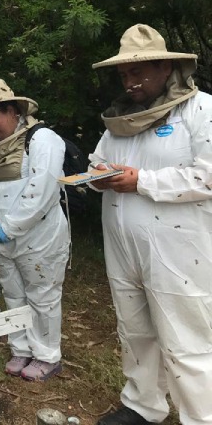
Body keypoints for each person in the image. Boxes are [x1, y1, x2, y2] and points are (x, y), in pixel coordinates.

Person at [88, 24, 212, 425]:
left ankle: (201, 416)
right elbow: (98, 159)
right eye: (124, 73)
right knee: (134, 329)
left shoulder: (201, 110)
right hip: (122, 243)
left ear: (166, 69)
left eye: (139, 71)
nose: (131, 80)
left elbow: (208, 176)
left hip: (180, 250)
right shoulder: (121, 119)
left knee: (186, 339)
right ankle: (143, 405)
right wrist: (97, 175)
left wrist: (142, 180)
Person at [0, 79, 68, 382]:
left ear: (11, 111)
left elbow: (42, 188)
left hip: (40, 235)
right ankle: (21, 348)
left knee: (42, 294)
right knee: (14, 293)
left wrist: (10, 226)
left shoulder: (42, 139)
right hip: (2, 238)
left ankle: (47, 355)